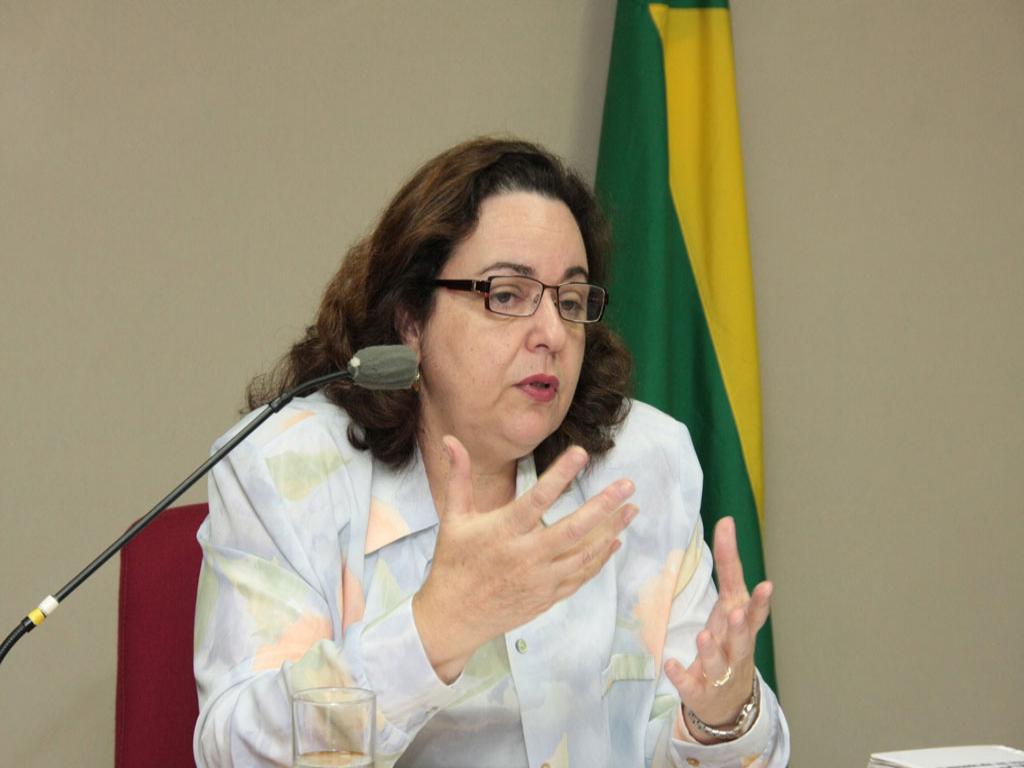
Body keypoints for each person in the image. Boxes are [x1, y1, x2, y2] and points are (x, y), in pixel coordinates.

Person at [193, 137, 790, 767]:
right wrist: (434, 629)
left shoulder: (642, 463)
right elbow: (235, 754)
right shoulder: (286, 472)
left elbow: (686, 730)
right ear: (411, 322)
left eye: (570, 302)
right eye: (506, 295)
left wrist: (718, 721)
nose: (553, 333)